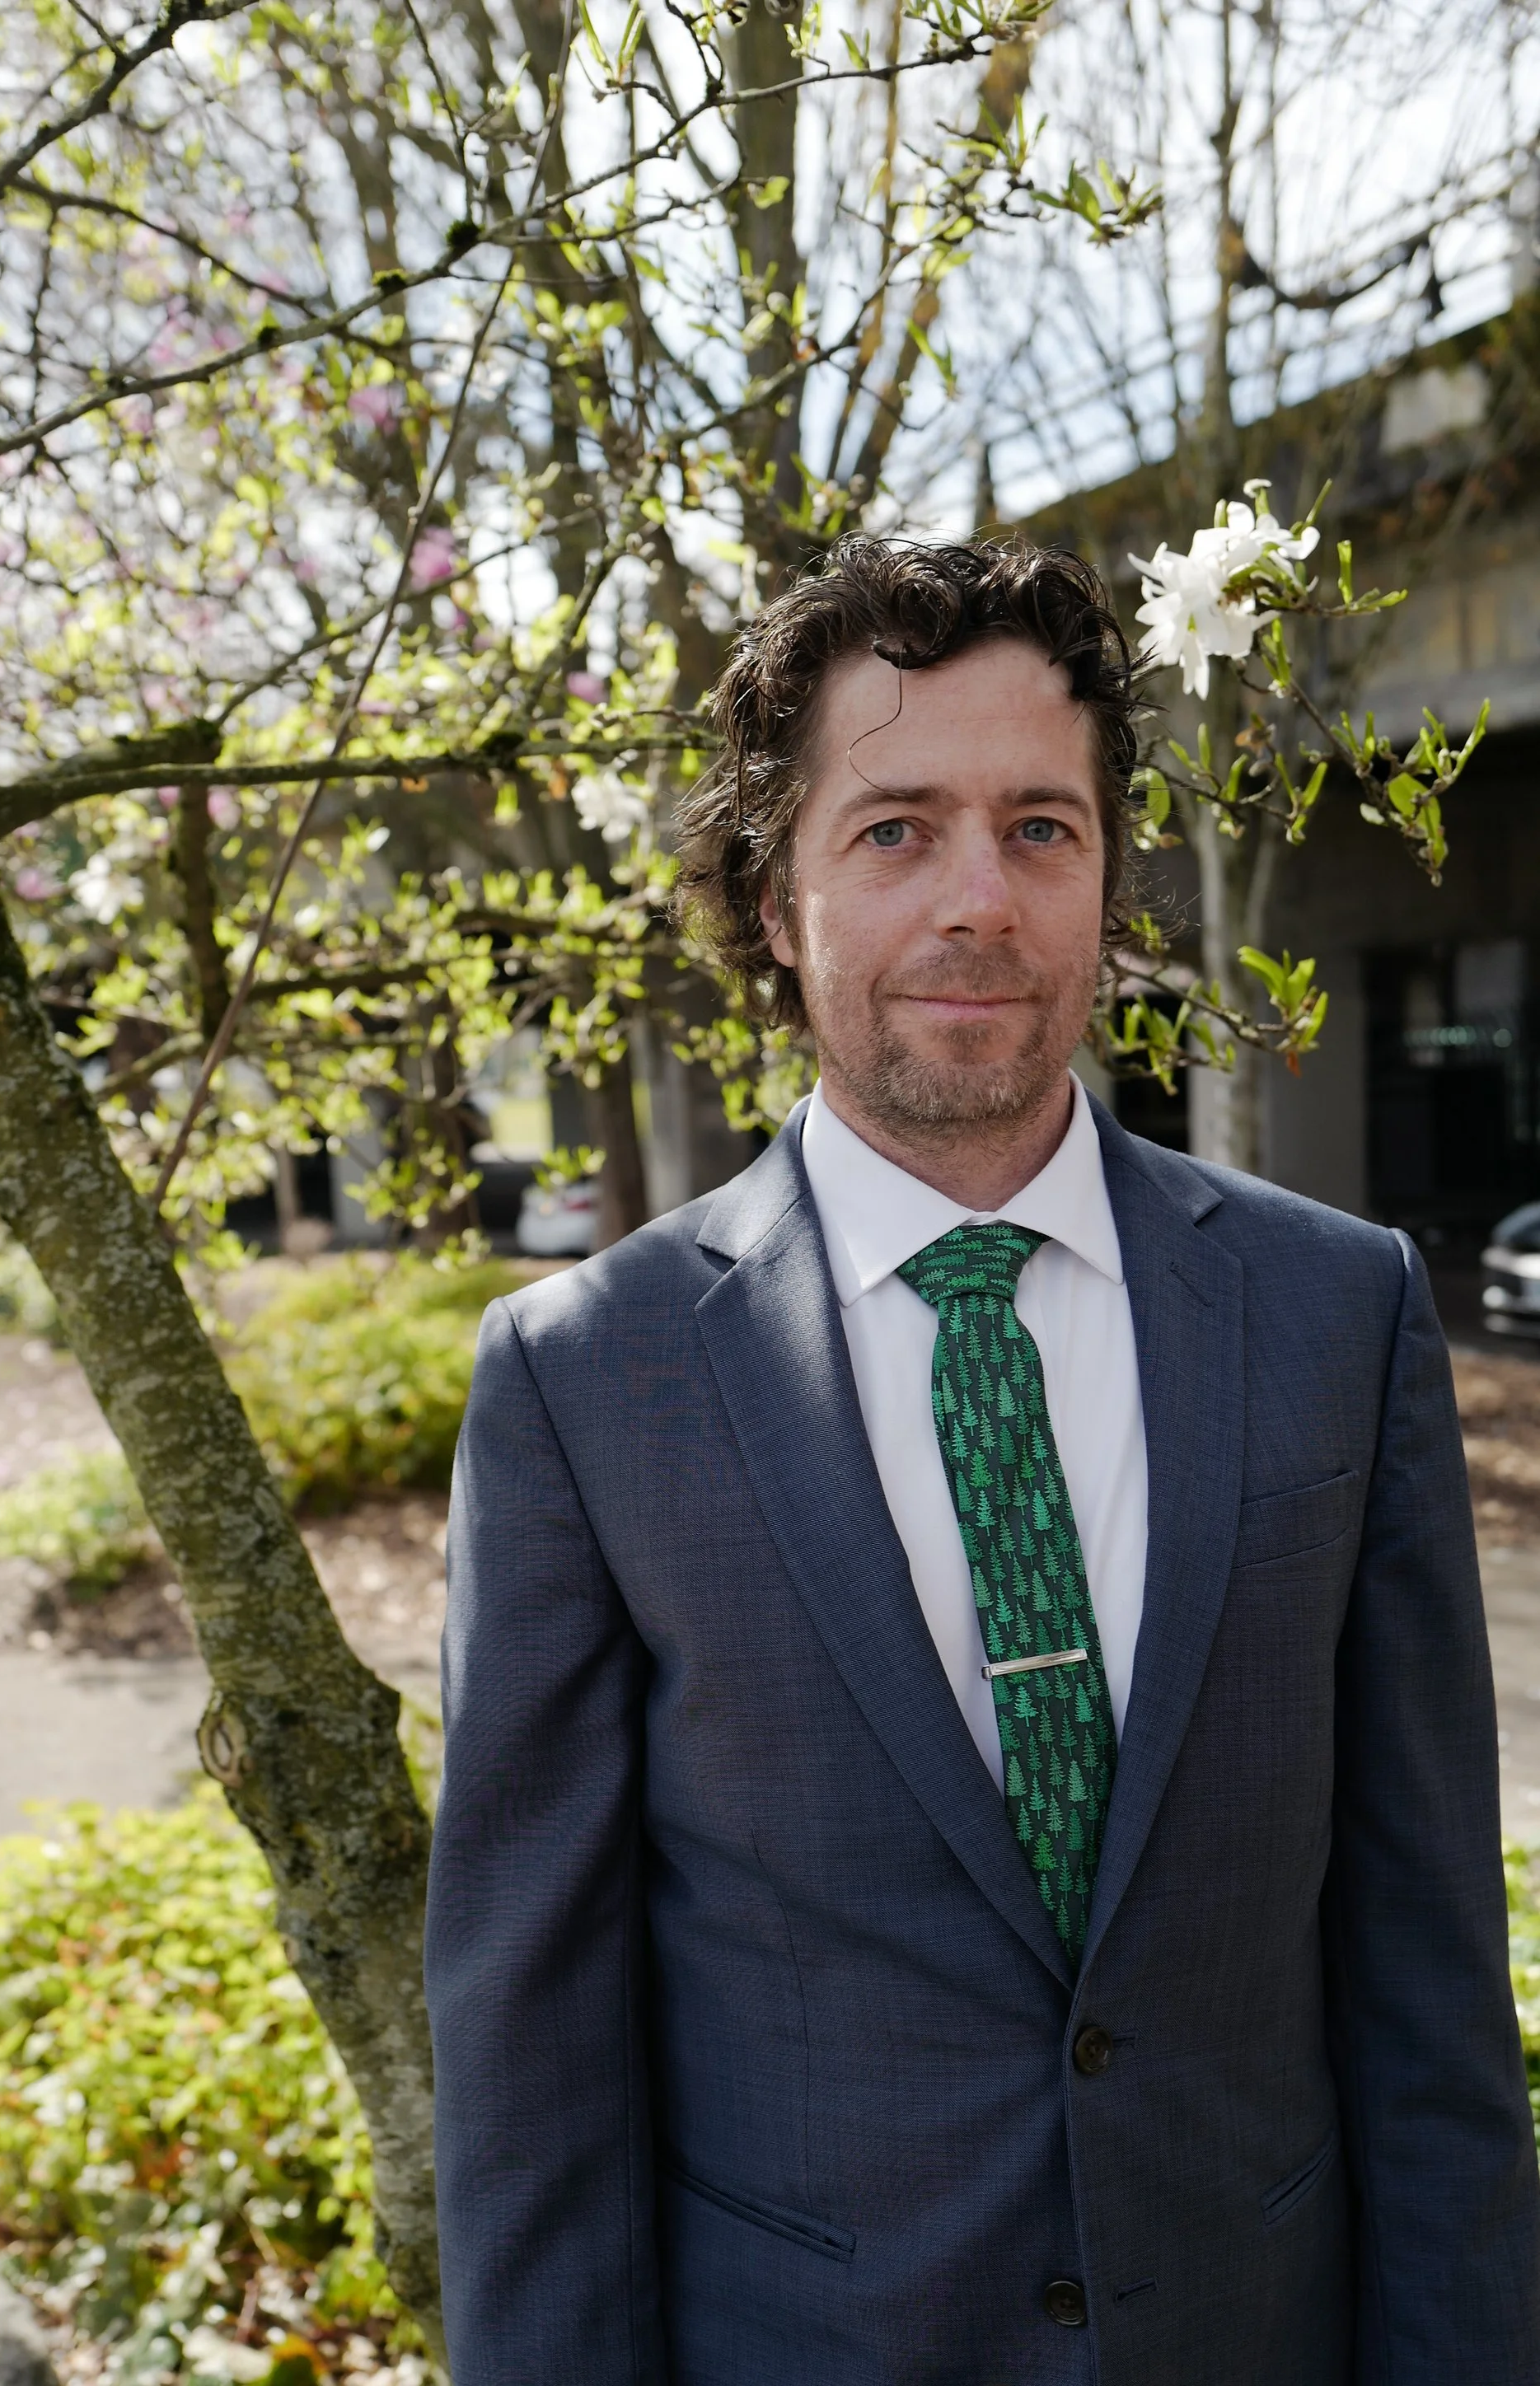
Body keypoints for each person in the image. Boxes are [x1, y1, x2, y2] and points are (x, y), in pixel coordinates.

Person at [425, 537, 1540, 2383]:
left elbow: (1425, 1979)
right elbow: (533, 2072)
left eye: (1039, 825)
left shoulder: (1336, 1314)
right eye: (892, 829)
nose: (979, 898)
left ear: (1107, 877)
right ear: (775, 900)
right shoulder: (585, 1379)